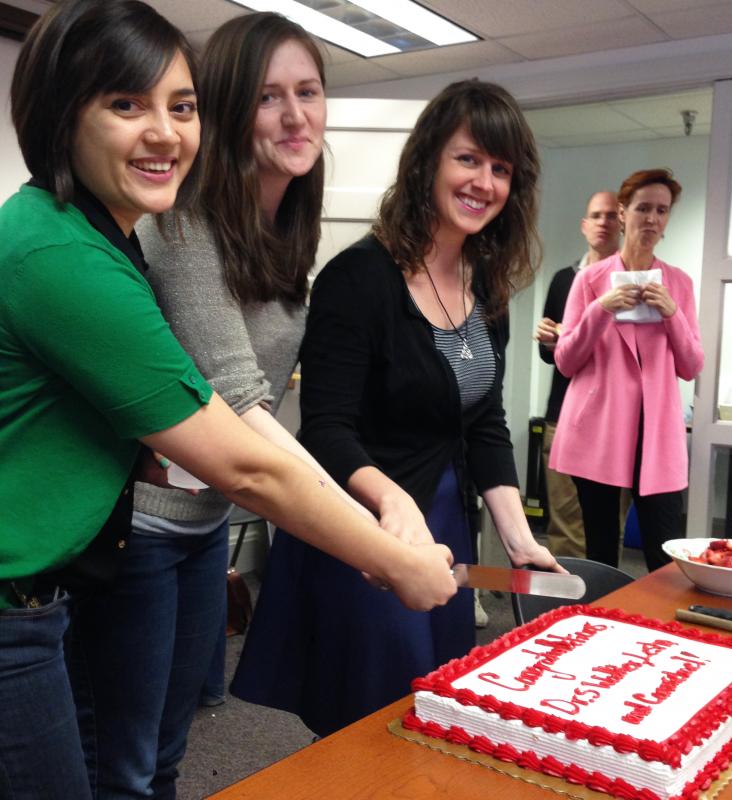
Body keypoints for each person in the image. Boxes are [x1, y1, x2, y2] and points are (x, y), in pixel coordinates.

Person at [0, 3, 455, 798]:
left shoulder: (108, 235)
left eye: (180, 107)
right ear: (60, 114)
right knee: (122, 763)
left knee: (144, 755)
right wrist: (385, 556)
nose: (165, 133)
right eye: (125, 104)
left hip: (89, 565)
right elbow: (247, 453)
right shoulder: (73, 250)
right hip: (50, 579)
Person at [66, 11, 350, 798]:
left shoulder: (284, 229)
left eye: (309, 92)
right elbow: (240, 399)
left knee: (168, 748)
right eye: (268, 97)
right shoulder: (184, 221)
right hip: (141, 525)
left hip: (203, 522)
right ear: (226, 110)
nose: (296, 116)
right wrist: (361, 534)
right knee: (123, 762)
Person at [231, 79, 562, 736]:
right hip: (364, 527)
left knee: (432, 708)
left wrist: (520, 543)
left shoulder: (486, 280)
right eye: (469, 159)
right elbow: (325, 429)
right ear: (429, 161)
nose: (484, 182)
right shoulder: (359, 279)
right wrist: (393, 503)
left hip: (444, 526)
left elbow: (486, 424)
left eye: (501, 169)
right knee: (370, 721)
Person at [549, 168, 703, 572]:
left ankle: (660, 631)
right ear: (623, 212)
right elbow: (565, 360)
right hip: (598, 429)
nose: (652, 218)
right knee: (600, 550)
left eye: (662, 210)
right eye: (643, 208)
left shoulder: (680, 284)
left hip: (656, 435)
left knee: (663, 552)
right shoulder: (590, 280)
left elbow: (691, 366)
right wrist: (602, 309)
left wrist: (672, 314)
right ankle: (604, 624)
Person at [536, 191, 620, 557]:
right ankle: (564, 606)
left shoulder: (632, 282)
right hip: (565, 415)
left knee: (606, 526)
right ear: (585, 226)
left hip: (614, 421)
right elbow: (549, 354)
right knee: (565, 524)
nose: (603, 222)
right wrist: (550, 340)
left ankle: (606, 605)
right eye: (596, 216)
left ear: (623, 223)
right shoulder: (563, 280)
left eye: (611, 216)